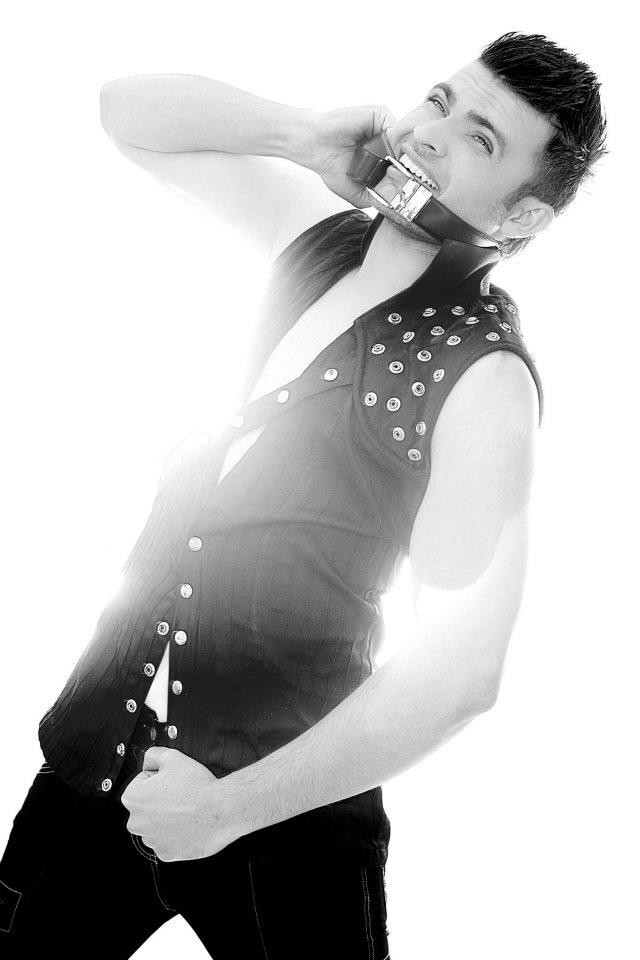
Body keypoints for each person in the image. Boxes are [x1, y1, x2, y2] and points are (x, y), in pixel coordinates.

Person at [0, 31, 606, 959]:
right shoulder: (313, 238)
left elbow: (461, 672)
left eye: (480, 139)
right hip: (94, 765)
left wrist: (223, 812)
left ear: (524, 216)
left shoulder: (484, 381)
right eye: (440, 100)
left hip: (285, 823)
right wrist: (300, 135)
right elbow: (126, 111)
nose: (432, 133)